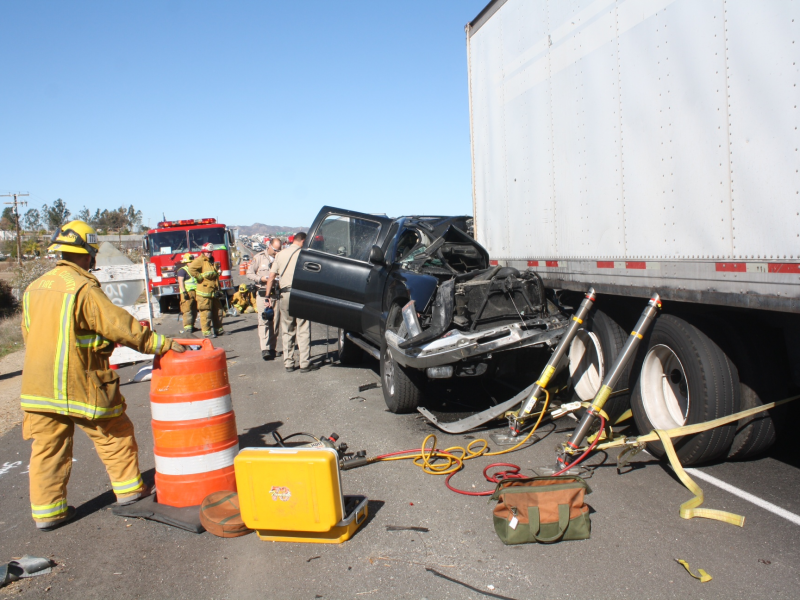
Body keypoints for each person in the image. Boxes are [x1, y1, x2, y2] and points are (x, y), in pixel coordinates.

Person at [20, 220, 185, 531]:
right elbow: (118, 325)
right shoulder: (82, 288)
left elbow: (31, 336)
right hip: (78, 383)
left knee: (47, 449)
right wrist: (161, 344)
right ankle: (129, 492)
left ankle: (47, 513)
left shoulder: (33, 289)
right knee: (115, 433)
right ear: (87, 254)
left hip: (37, 387)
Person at [264, 232, 311, 373]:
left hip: (285, 294)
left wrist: (267, 296)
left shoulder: (280, 255)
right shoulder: (305, 255)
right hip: (301, 294)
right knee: (303, 329)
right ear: (303, 241)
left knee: (287, 329)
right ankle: (304, 363)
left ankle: (289, 363)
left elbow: (271, 277)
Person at [246, 237, 283, 360]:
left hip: (276, 294)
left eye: (279, 250)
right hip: (262, 293)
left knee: (275, 322)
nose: (277, 252)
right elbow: (249, 273)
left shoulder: (281, 257)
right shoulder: (259, 257)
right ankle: (265, 349)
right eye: (275, 250)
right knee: (264, 321)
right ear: (269, 246)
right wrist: (260, 279)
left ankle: (272, 348)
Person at [187, 243, 224, 338]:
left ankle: (218, 330)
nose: (209, 254)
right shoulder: (200, 260)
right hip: (204, 292)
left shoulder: (210, 261)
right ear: (203, 252)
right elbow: (191, 269)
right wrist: (199, 277)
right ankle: (206, 332)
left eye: (210, 252)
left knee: (218, 311)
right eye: (207, 252)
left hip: (214, 291)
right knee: (206, 313)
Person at [176, 252, 198, 334]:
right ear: (186, 262)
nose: (191, 263)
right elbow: (180, 282)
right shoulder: (182, 271)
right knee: (187, 310)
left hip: (195, 292)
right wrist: (184, 292)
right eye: (190, 262)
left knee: (194, 310)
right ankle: (188, 327)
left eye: (192, 261)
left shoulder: (193, 270)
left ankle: (192, 325)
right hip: (187, 293)